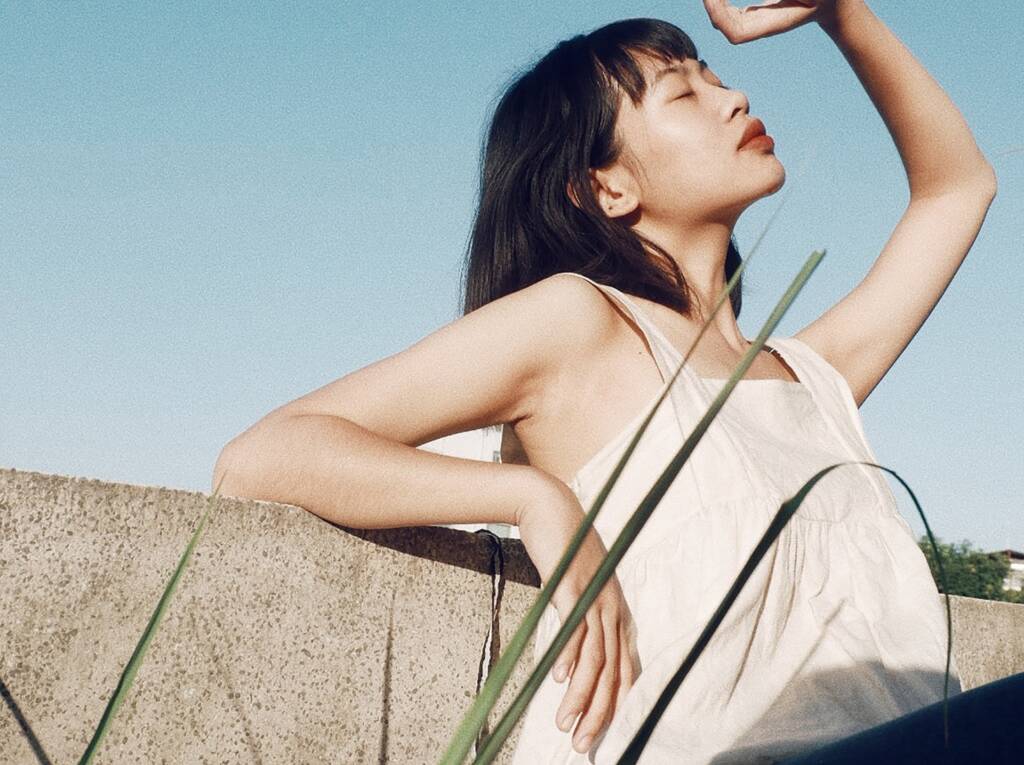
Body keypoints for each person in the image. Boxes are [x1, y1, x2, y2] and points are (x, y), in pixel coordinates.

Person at [212, 1, 1006, 762]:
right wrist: (533, 498)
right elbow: (263, 454)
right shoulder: (581, 322)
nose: (733, 98)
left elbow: (960, 188)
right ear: (607, 186)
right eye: (683, 93)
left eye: (714, 76)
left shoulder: (813, 378)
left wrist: (842, 12)